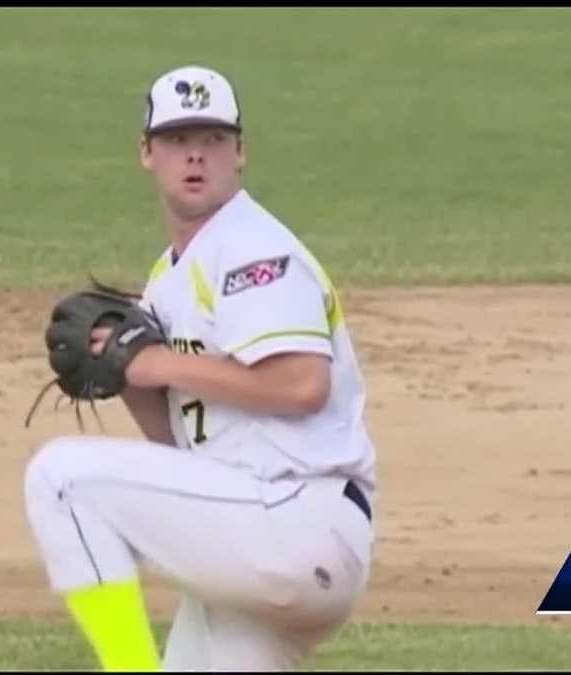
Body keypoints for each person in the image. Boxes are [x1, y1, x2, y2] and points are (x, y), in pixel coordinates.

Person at [23, 64, 378, 671]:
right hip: (253, 533)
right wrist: (127, 373)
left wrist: (157, 362)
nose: (195, 157)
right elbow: (181, 448)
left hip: (295, 517)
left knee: (61, 480)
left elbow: (302, 384)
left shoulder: (252, 249)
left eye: (212, 140)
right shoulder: (169, 277)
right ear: (147, 153)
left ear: (238, 153)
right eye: (178, 141)